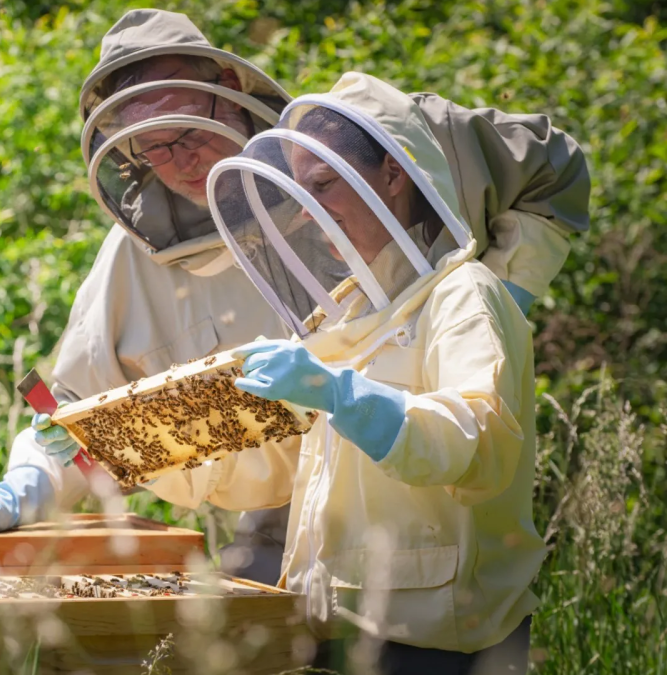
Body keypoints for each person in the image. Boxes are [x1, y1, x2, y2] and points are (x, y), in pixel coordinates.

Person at [0, 9, 588, 589]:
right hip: (278, 522)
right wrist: (18, 490)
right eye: (153, 148)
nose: (178, 160)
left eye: (186, 128)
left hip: (430, 495)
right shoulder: (133, 259)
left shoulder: (361, 147)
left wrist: (496, 301)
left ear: (229, 88)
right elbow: (72, 426)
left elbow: (554, 167)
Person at [190, 71, 541, 673]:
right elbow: (282, 471)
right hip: (336, 626)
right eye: (301, 193)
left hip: (442, 643)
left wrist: (341, 394)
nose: (309, 214)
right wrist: (117, 457)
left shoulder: (463, 295)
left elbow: (478, 439)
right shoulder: (350, 310)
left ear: (393, 175)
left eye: (325, 185)